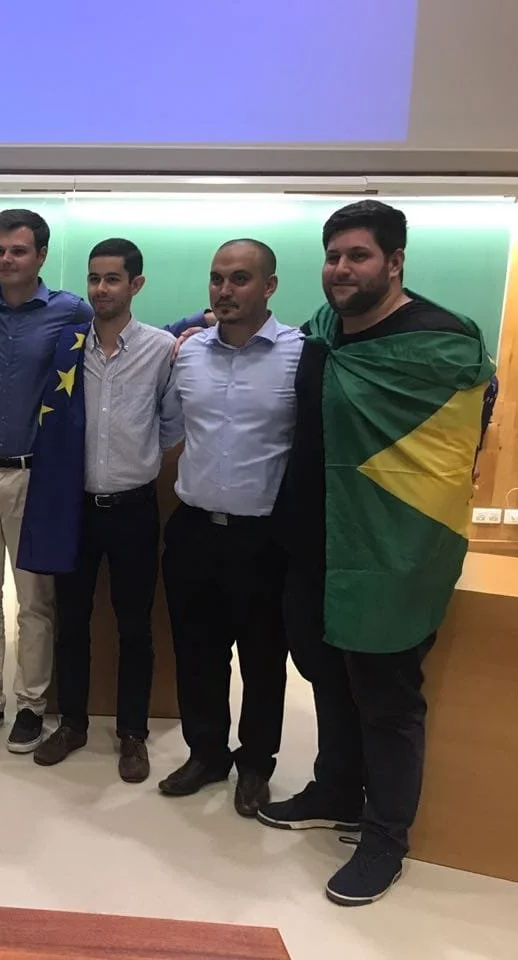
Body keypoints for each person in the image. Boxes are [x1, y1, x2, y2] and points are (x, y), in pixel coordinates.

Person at [263, 201, 495, 907]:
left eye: (358, 256)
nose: (340, 269)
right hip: (313, 540)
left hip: (388, 548)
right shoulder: (326, 329)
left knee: (388, 699)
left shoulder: (441, 342)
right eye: (333, 255)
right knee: (326, 673)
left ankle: (385, 838)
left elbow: (465, 433)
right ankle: (336, 787)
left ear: (395, 263)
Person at [18, 239, 175, 780]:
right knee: (73, 622)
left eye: (112, 279)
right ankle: (74, 724)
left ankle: (132, 733)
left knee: (135, 626)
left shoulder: (161, 349)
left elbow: (170, 421)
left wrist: (141, 456)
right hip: (75, 509)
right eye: (94, 278)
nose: (100, 289)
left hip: (133, 510)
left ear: (136, 285)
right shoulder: (68, 346)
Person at [157, 239, 300, 818]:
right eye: (217, 278)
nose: (225, 290)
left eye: (240, 279)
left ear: (269, 286)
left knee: (264, 659)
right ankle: (207, 753)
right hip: (193, 531)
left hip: (263, 540)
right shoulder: (186, 354)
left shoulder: (299, 355)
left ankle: (256, 766)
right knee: (197, 653)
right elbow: (169, 427)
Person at [0, 209, 94, 752]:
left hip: (34, 480)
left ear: (41, 256)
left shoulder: (70, 310)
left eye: (18, 251)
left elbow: (116, 332)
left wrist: (184, 330)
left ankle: (32, 704)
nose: (7, 260)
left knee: (34, 602)